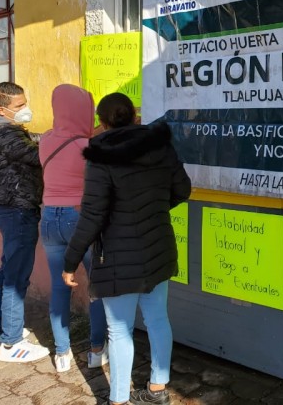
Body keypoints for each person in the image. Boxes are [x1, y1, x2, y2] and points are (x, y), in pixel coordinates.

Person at [63, 93, 191, 405]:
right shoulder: (161, 146)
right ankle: (157, 391)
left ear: (102, 123)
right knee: (158, 319)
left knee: (119, 332)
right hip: (158, 247)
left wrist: (70, 261)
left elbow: (92, 216)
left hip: (118, 257)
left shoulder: (100, 156)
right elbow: (183, 190)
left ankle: (119, 400)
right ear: (135, 116)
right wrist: (155, 209)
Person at [0, 81, 50, 362]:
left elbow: (34, 141)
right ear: (2, 109)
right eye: (19, 106)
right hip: (18, 209)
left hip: (11, 209)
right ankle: (12, 343)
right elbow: (39, 154)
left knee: (8, 271)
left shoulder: (2, 129)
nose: (25, 109)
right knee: (16, 278)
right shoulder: (3, 132)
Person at [40, 84, 108, 373]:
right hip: (79, 219)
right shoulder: (88, 147)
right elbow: (91, 142)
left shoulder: (44, 139)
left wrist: (97, 130)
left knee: (59, 286)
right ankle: (95, 350)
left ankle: (62, 354)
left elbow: (82, 135)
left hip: (48, 219)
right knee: (96, 286)